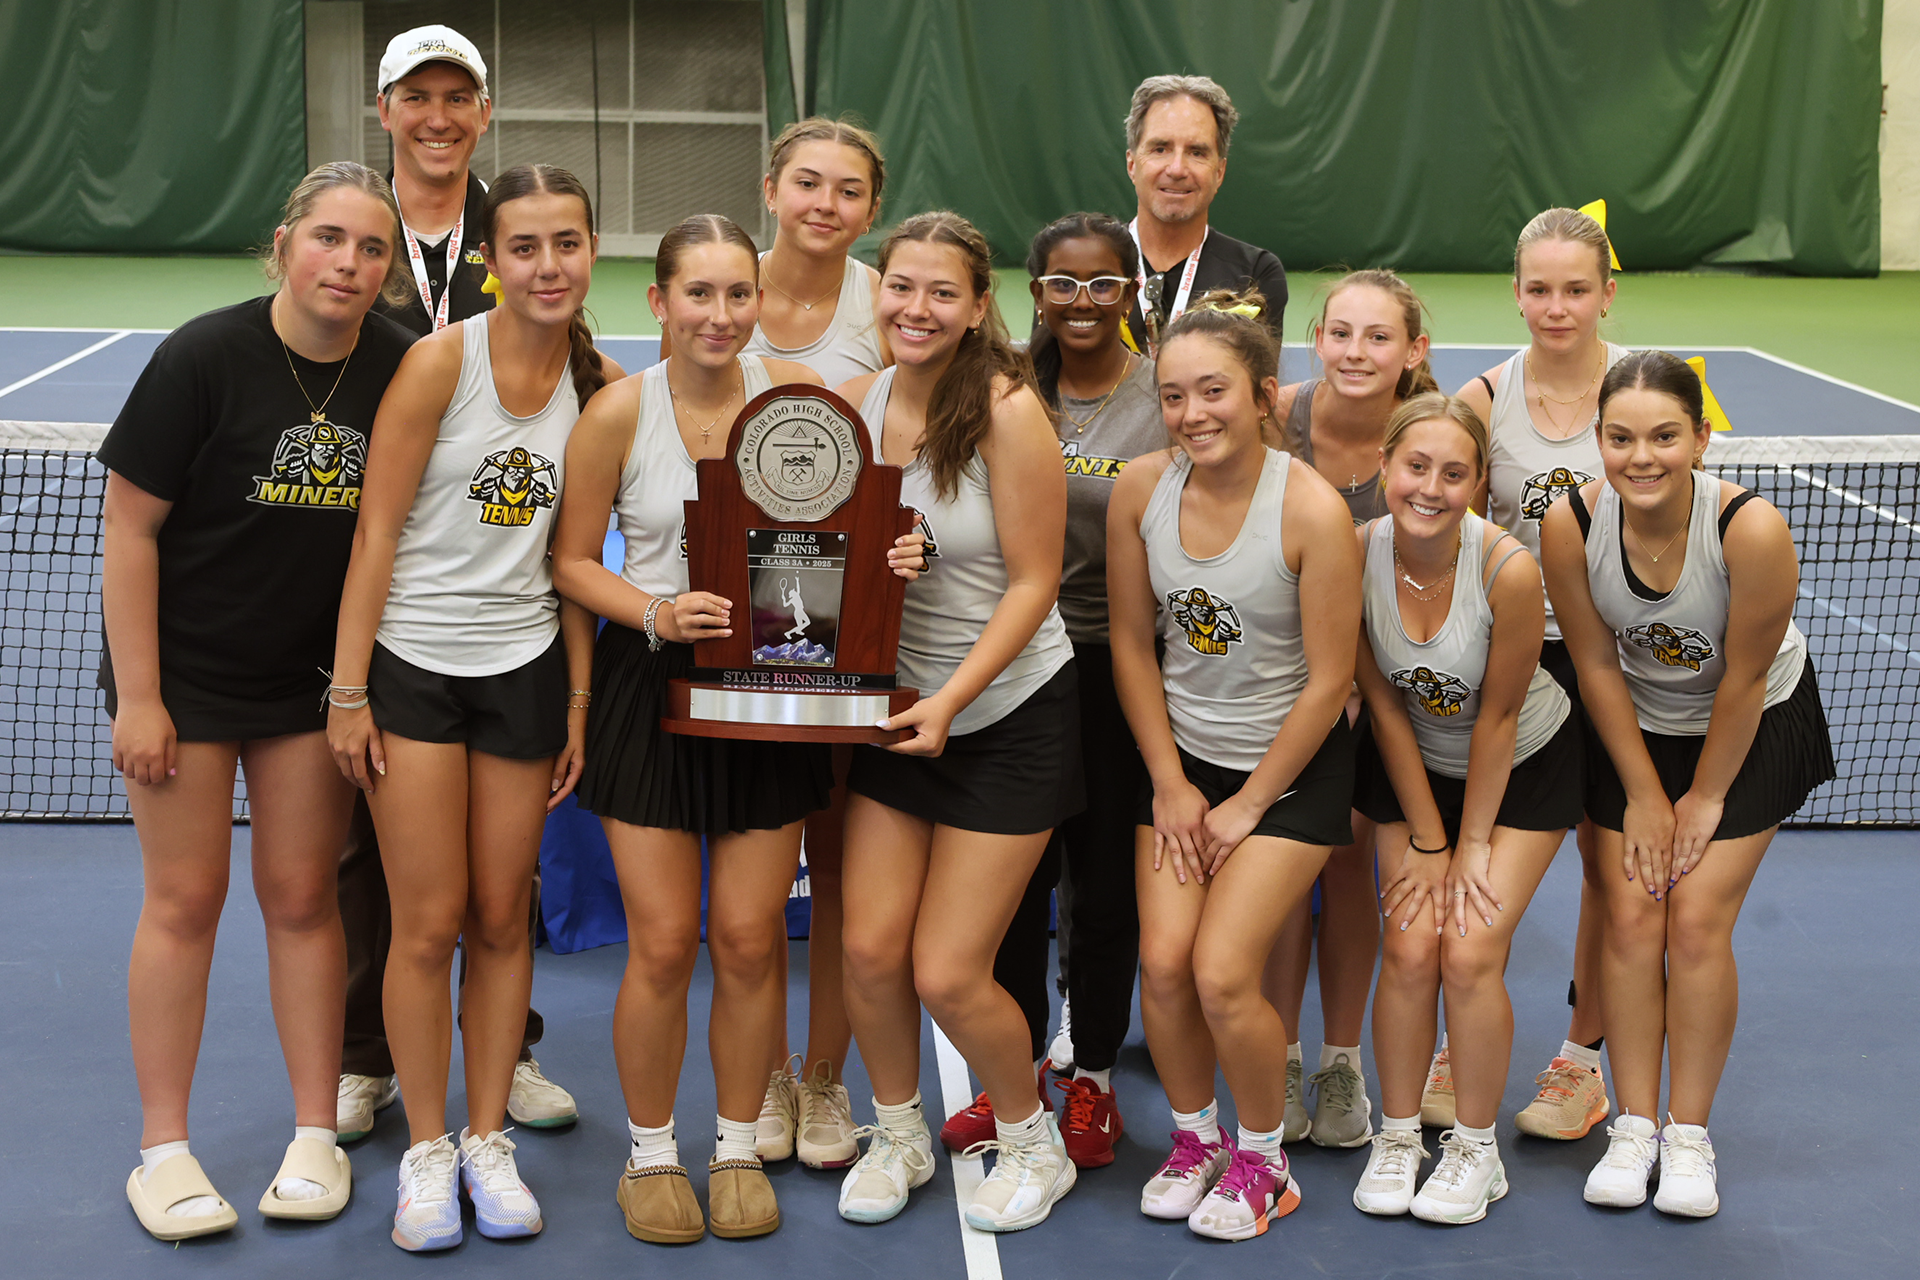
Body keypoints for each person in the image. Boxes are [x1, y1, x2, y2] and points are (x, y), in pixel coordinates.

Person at [550, 213, 925, 1245]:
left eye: (736, 294)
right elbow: (572, 560)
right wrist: (656, 612)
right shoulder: (618, 412)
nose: (719, 315)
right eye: (698, 294)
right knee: (666, 943)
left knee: (753, 939)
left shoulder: (800, 401)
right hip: (652, 686)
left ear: (759, 302)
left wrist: (901, 551)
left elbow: (853, 529)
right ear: (659, 301)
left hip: (771, 685)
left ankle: (732, 1146)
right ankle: (650, 1154)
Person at [101, 161, 416, 1241]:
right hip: (183, 678)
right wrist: (141, 696)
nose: (348, 262)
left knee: (301, 896)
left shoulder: (398, 363)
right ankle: (164, 1150)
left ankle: (315, 1134)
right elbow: (129, 529)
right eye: (329, 238)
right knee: (185, 900)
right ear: (284, 245)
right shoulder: (202, 356)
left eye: (371, 248)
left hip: (310, 687)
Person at [327, 164, 615, 1252]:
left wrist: (577, 701)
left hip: (524, 672)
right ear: (490, 260)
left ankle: (488, 1141)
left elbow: (575, 562)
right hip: (412, 668)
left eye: (567, 243)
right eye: (524, 246)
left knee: (502, 915)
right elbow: (376, 533)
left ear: (593, 253)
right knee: (427, 919)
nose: (548, 265)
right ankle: (426, 1149)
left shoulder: (600, 386)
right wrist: (348, 689)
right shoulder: (439, 362)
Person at [336, 22, 579, 1144]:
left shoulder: (529, 251)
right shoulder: (359, 225)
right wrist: (348, 683)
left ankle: (501, 1059)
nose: (437, 117)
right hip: (384, 603)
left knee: (498, 896)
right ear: (386, 108)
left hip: (510, 631)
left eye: (457, 97)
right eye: (416, 96)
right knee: (382, 873)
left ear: (484, 111)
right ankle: (370, 1060)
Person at [834, 211, 1083, 1233]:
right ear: (878, 291)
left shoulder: (1008, 410)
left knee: (945, 969)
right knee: (867, 950)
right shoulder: (858, 404)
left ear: (980, 307)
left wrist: (951, 699)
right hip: (900, 709)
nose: (918, 308)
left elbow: (1034, 582)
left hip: (1008, 710)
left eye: (944, 292)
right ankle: (898, 1132)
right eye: (901, 286)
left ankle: (1031, 1139)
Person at [1541, 350, 1833, 1218]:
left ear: (1701, 439)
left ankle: (1689, 1135)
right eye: (1621, 437)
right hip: (1633, 723)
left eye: (1665, 436)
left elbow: (1744, 679)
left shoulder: (1750, 530)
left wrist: (1702, 800)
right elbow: (1594, 663)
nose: (1642, 457)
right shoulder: (1569, 523)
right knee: (1633, 912)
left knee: (1696, 918)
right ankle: (1633, 1126)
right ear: (1598, 439)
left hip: (1750, 722)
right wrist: (1642, 793)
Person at [1110, 288, 1362, 1241]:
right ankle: (1196, 1140)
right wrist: (1171, 783)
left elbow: (1330, 680)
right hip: (1183, 767)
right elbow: (1133, 644)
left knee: (1220, 973)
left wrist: (1250, 803)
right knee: (1164, 966)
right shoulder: (1142, 490)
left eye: (1212, 391)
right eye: (1174, 396)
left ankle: (1264, 1160)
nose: (1192, 414)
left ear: (1262, 397)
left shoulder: (1310, 510)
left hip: (1290, 777)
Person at [941, 213, 1161, 1171]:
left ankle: (1096, 1077)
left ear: (1130, 292)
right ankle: (1017, 1081)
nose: (1082, 302)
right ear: (1034, 293)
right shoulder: (1000, 388)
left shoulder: (1160, 398)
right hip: (1016, 663)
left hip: (1115, 667)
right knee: (1015, 888)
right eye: (1062, 284)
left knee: (1102, 883)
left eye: (1103, 283)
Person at [1346, 394, 1582, 1224]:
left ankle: (1476, 1149)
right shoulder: (1355, 554)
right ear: (1384, 466)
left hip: (1521, 767)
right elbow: (1382, 702)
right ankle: (1397, 1136)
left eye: (1454, 473)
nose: (1431, 487)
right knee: (1412, 948)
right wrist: (1426, 835)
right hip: (1413, 765)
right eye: (1416, 466)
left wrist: (1469, 843)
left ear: (1479, 484)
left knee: (1471, 950)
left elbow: (1499, 717)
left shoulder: (1507, 571)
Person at [1447, 206, 1630, 1140]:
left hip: (1620, 662)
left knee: (1609, 866)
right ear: (1516, 294)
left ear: (1607, 293)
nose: (1558, 307)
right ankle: (1460, 1043)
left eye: (1576, 289)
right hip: (1516, 660)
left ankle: (1581, 1062)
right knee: (1487, 854)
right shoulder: (1483, 399)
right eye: (1541, 289)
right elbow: (1459, 535)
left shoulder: (1646, 388)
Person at [738, 115, 891, 1173]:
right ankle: (758, 1077)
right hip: (734, 610)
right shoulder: (724, 285)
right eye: (807, 182)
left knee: (834, 856)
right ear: (771, 189)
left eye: (847, 189)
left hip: (856, 611)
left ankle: (826, 1076)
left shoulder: (888, 303)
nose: (824, 204)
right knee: (753, 863)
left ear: (871, 208)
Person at [1261, 269, 1437, 1149]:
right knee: (1285, 879)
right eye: (1340, 333)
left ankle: (1341, 1064)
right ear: (1317, 340)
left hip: (1382, 696)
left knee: (1345, 867)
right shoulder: (1274, 416)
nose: (1356, 352)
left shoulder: (1429, 438)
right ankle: (1282, 1058)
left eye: (1378, 337)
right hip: (1274, 687)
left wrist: (1364, 691)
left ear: (1413, 351)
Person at [1121, 75, 1288, 355]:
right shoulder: (1087, 266)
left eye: (1197, 152)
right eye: (1160, 149)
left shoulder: (1255, 275)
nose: (1177, 169)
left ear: (1219, 172)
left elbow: (1256, 381)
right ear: (1132, 165)